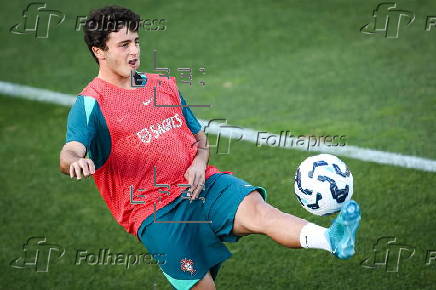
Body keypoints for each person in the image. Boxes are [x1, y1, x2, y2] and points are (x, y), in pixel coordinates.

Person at [59, 5, 361, 290]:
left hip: (203, 185)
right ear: (99, 51)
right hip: (156, 212)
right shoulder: (91, 104)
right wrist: (75, 161)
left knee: (259, 211)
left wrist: (199, 164)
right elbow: (70, 150)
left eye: (136, 41)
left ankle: (331, 239)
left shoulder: (162, 85)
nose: (135, 51)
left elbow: (199, 138)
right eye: (124, 44)